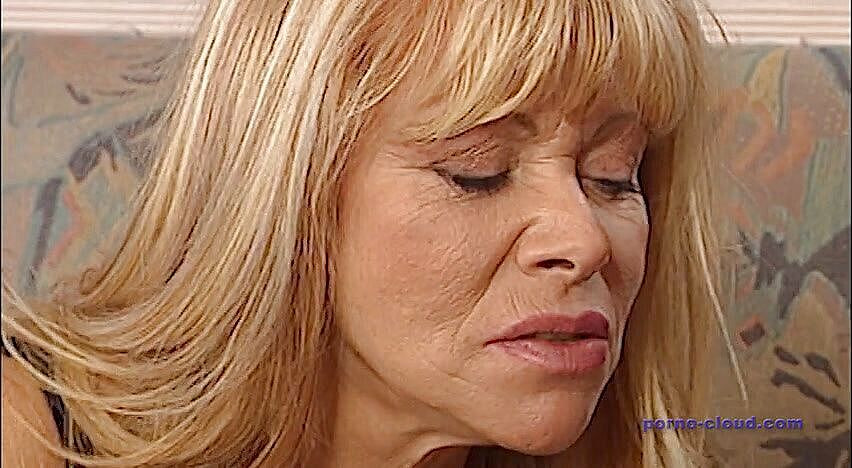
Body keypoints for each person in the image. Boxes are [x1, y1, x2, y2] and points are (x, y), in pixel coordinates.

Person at [1, 1, 732, 466]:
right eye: (477, 170)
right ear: (283, 196)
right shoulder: (25, 431)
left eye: (614, 175)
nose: (586, 239)